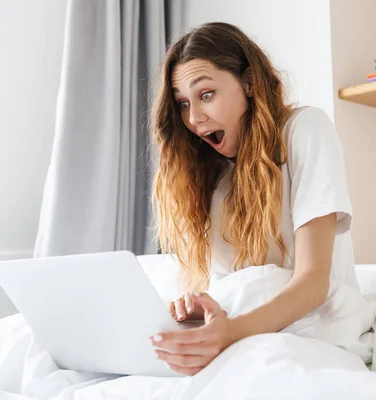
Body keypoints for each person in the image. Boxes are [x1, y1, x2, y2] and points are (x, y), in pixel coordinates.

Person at [148, 22, 358, 376]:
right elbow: (224, 287)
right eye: (183, 103)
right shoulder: (207, 173)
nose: (194, 119)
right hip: (240, 329)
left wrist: (231, 332)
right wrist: (199, 306)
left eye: (206, 94)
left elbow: (313, 283)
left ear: (249, 83)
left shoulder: (305, 130)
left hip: (315, 325)